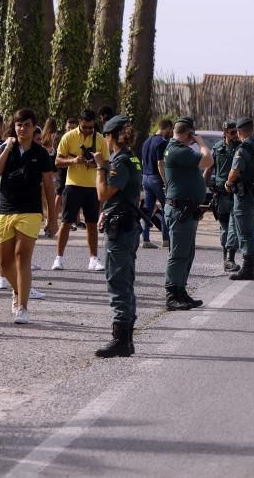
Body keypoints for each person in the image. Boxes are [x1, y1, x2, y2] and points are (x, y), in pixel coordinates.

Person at [0, 109, 58, 324]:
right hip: (5, 209)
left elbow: (49, 187)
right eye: (19, 125)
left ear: (34, 128)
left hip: (30, 211)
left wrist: (53, 218)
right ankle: (18, 291)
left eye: (27, 125)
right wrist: (6, 148)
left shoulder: (41, 154)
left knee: (22, 254)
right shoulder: (6, 148)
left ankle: (22, 306)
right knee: (4, 263)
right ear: (14, 127)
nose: (23, 129)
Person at [91, 115, 142, 356]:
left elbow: (103, 193)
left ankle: (121, 339)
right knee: (125, 280)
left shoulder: (120, 162)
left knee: (118, 281)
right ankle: (126, 339)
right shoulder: (131, 158)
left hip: (120, 230)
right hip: (126, 223)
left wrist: (101, 166)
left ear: (110, 136)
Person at [162, 117, 212, 311]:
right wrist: (200, 142)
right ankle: (172, 294)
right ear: (189, 133)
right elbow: (208, 160)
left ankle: (180, 291)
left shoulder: (177, 149)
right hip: (179, 209)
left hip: (186, 209)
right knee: (178, 253)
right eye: (192, 135)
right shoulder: (177, 150)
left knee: (187, 253)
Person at [53, 109, 110, 271]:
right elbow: (57, 161)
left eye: (91, 127)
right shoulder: (68, 137)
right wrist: (73, 160)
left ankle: (93, 259)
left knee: (92, 224)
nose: (88, 130)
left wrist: (95, 163)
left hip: (93, 187)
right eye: (85, 127)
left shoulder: (100, 139)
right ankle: (58, 258)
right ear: (80, 123)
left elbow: (106, 163)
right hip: (72, 185)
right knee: (66, 222)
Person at [227, 117, 254, 281]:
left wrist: (228, 183)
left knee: (244, 230)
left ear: (239, 131)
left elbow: (235, 170)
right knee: (250, 228)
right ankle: (250, 266)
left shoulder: (244, 148)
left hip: (243, 193)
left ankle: (248, 268)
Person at [205, 120, 241, 272]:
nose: (235, 135)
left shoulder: (241, 147)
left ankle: (230, 258)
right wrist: (203, 188)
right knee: (225, 227)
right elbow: (209, 168)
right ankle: (226, 258)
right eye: (232, 132)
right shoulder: (217, 148)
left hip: (237, 191)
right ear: (225, 133)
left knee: (234, 226)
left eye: (236, 132)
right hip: (221, 193)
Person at [139, 118, 173, 249]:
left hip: (145, 177)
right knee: (166, 208)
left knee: (148, 210)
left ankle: (146, 240)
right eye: (170, 129)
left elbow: (143, 161)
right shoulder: (161, 142)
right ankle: (166, 239)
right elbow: (160, 163)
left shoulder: (147, 141)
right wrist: (165, 180)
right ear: (167, 128)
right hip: (156, 179)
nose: (170, 132)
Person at [39, 118, 59, 238]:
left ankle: (45, 221)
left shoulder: (42, 135)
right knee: (50, 197)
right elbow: (54, 149)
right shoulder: (54, 135)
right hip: (51, 167)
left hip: (43, 167)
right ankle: (48, 222)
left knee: (43, 198)